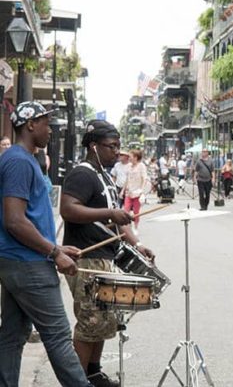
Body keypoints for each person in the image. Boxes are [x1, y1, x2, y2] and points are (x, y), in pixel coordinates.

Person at [0, 101, 91, 387]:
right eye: (45, 122)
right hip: (28, 264)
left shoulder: (22, 158)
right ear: (30, 124)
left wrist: (57, 247)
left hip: (19, 260)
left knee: (12, 337)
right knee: (59, 337)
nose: (50, 129)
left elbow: (30, 218)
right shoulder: (17, 161)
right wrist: (52, 251)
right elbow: (14, 220)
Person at [60, 119, 154, 387]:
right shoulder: (82, 173)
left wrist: (136, 244)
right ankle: (77, 381)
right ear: (93, 146)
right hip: (87, 257)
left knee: (103, 320)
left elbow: (117, 222)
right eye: (111, 146)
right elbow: (68, 209)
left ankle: (93, 374)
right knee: (90, 320)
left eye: (118, 146)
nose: (116, 152)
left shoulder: (104, 176)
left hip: (105, 255)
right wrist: (108, 212)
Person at [122, 149, 147, 231]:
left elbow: (144, 179)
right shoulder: (128, 166)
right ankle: (127, 227)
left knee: (136, 212)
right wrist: (122, 190)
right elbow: (127, 179)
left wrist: (142, 191)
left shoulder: (141, 166)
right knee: (126, 210)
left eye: (131, 156)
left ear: (136, 157)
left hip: (137, 193)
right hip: (129, 193)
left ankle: (135, 227)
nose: (129, 158)